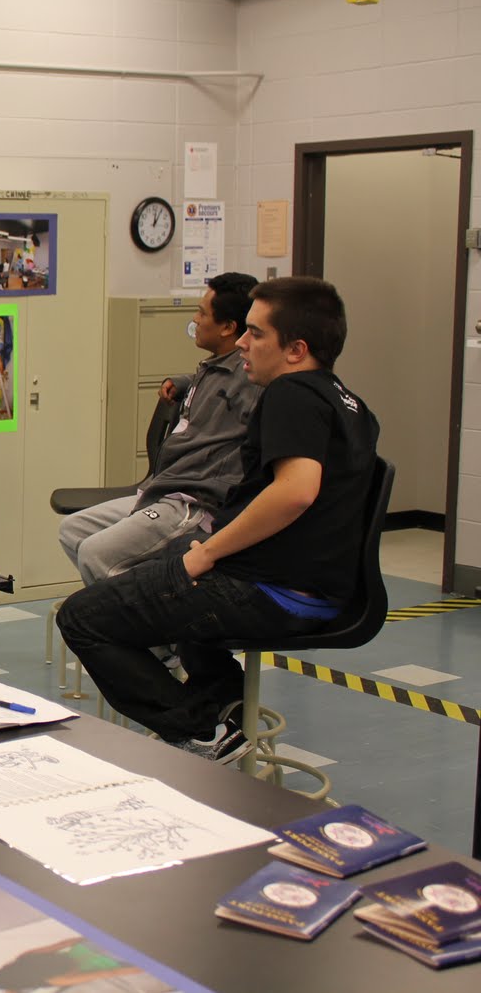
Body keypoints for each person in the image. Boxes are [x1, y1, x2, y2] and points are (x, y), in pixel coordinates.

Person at [57, 278, 379, 759]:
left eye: (256, 333)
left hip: (268, 592)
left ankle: (202, 731)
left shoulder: (291, 394)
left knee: (83, 617)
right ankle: (225, 705)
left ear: (296, 350)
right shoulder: (350, 404)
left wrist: (207, 552)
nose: (243, 343)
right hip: (315, 589)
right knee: (172, 590)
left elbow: (295, 491)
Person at [58, 272, 260, 586]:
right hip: (164, 487)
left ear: (227, 327)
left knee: (94, 554)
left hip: (193, 500)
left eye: (202, 313)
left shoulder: (249, 376)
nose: (195, 320)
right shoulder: (215, 366)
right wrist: (184, 382)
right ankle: (136, 599)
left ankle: (136, 610)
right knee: (73, 531)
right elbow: (216, 387)